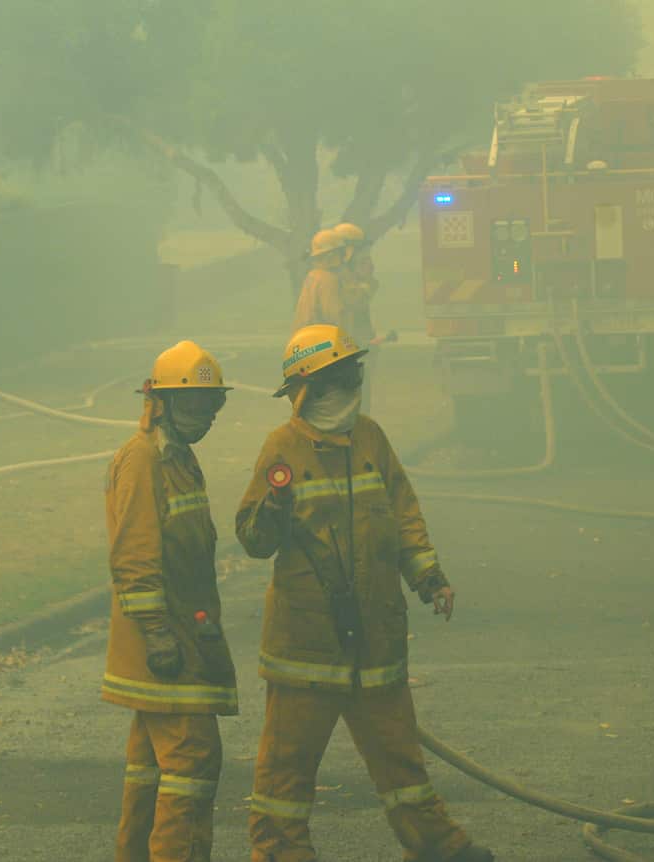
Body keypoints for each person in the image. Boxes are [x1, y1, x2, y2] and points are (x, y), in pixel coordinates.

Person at [235, 324, 494, 862]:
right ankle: (280, 851)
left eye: (353, 375)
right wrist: (274, 508)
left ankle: (436, 845)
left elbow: (403, 512)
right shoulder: (282, 448)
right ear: (307, 390)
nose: (351, 387)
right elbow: (254, 540)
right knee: (287, 765)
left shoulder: (371, 439)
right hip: (307, 643)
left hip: (375, 635)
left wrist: (429, 577)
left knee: (400, 758)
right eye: (339, 378)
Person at [102, 340, 238, 862]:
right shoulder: (143, 460)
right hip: (165, 642)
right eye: (194, 403)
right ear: (159, 402)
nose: (205, 416)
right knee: (192, 761)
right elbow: (134, 555)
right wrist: (157, 631)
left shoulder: (179, 458)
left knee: (151, 767)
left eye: (212, 404)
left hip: (185, 635)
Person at [334, 221, 384, 410]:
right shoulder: (339, 271)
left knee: (360, 390)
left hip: (358, 338)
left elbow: (361, 298)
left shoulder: (353, 268)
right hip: (346, 339)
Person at [292, 229, 347, 333]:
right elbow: (335, 316)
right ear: (331, 256)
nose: (343, 258)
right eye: (341, 253)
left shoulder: (313, 275)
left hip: (305, 337)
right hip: (322, 339)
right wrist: (350, 338)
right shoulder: (328, 280)